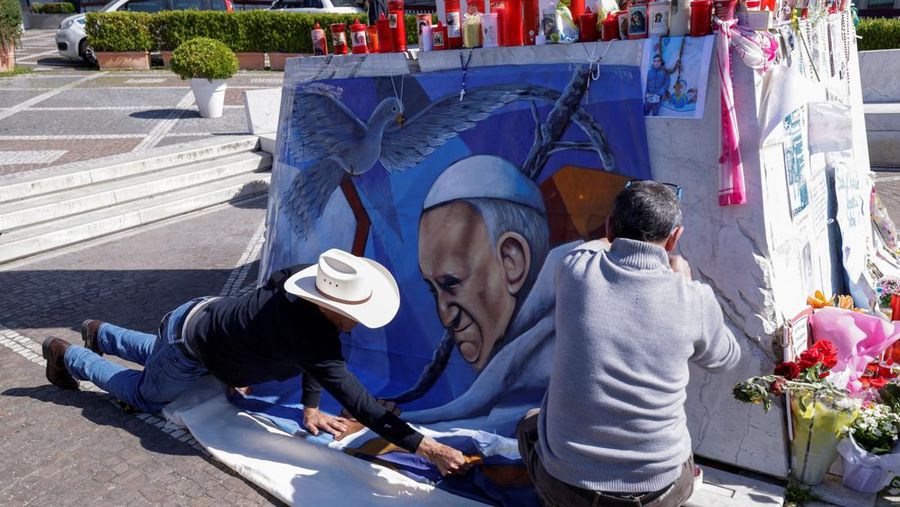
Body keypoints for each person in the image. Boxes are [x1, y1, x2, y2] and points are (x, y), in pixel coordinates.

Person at [41, 249, 471, 476]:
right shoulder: (310, 336)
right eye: (352, 315)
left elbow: (313, 359)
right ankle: (70, 355)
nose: (356, 325)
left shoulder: (301, 276)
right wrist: (428, 448)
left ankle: (100, 332)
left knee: (159, 353)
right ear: (326, 305)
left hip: (197, 316)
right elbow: (362, 404)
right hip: (192, 348)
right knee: (143, 394)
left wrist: (309, 405)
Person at [517, 180, 741, 506]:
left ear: (609, 227)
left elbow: (591, 246)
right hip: (659, 491)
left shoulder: (574, 270)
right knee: (681, 456)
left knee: (528, 424)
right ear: (676, 237)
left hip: (567, 487)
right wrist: (685, 284)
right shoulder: (693, 299)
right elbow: (726, 358)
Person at [383, 155, 578, 437]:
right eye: (432, 289)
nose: (445, 316)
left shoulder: (562, 355)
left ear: (513, 261)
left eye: (452, 283)